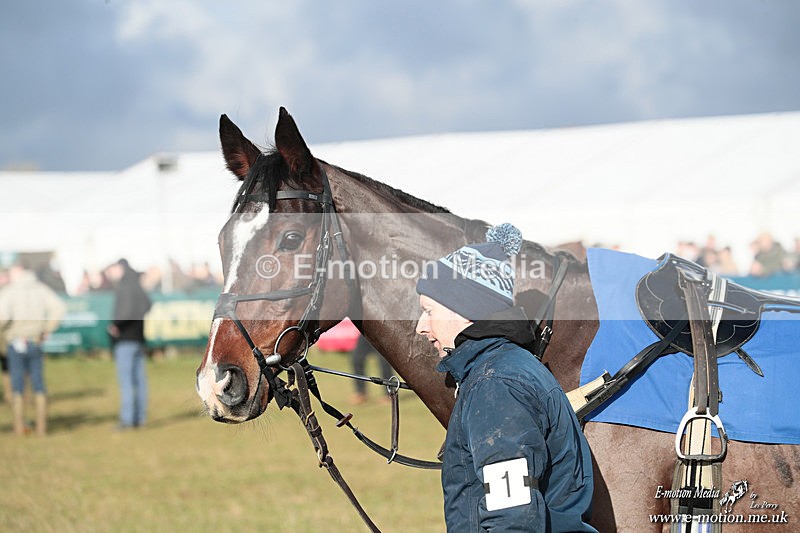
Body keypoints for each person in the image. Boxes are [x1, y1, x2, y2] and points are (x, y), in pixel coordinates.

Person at [415, 223, 595, 532]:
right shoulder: (503, 368)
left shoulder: (496, 386)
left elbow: (512, 519)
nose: (420, 326)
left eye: (429, 310)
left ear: (465, 309)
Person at [0, 261, 66, 435]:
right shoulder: (40, 289)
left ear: (18, 271)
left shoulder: (10, 292)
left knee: (17, 385)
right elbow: (59, 308)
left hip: (15, 342)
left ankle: (19, 427)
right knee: (38, 383)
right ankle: (41, 428)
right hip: (36, 341)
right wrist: (47, 329)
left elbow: (3, 316)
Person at [106, 259, 152, 430]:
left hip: (125, 339)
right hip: (138, 338)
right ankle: (140, 418)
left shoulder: (124, 286)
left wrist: (116, 326)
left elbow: (124, 311)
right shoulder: (136, 284)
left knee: (126, 382)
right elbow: (148, 304)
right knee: (139, 381)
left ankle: (127, 419)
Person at [350, 335, 392, 405]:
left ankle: (389, 394)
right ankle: (361, 393)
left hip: (381, 333)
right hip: (366, 332)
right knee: (356, 359)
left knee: (384, 362)